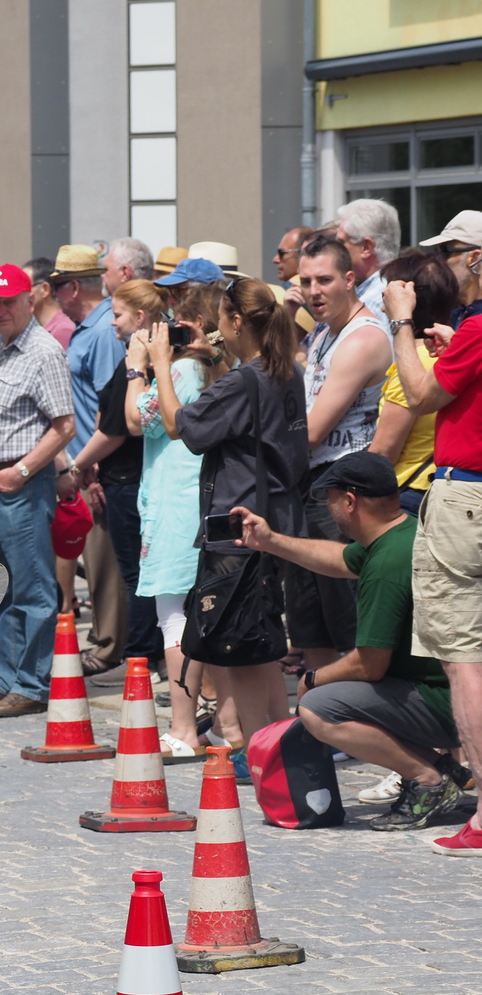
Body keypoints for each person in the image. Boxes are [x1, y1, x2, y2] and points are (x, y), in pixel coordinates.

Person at [234, 452, 467, 829]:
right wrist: (271, 540)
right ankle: (442, 772)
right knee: (330, 695)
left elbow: (369, 665)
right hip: (445, 689)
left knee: (319, 708)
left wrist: (312, 679)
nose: (329, 508)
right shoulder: (402, 532)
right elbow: (341, 559)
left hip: (446, 701)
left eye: (329, 499)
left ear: (349, 501)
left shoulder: (387, 565)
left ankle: (429, 782)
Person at [155, 277, 308, 753]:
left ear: (237, 321)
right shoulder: (286, 372)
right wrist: (217, 355)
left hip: (236, 528)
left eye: (223, 320)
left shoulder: (246, 380)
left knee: (237, 650)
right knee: (263, 644)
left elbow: (179, 426)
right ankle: (282, 746)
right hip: (275, 520)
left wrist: (160, 363)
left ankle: (253, 749)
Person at [380, 211, 482, 854]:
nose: (438, 265)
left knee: (464, 657)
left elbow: (416, 396)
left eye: (450, 253)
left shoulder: (477, 326)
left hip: (465, 492)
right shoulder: (470, 331)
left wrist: (400, 323)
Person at [0, 263, 76, 717]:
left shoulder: (43, 351)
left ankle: (30, 682)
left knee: (32, 589)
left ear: (30, 300)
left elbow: (64, 426)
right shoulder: (3, 348)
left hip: (18, 485)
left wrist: (24, 470)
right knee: (2, 588)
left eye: (9, 300)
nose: (1, 309)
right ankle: (9, 678)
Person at [126, 287, 221, 757]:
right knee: (212, 614)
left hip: (176, 502)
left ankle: (183, 728)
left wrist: (138, 366)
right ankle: (225, 723)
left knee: (175, 617)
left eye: (175, 325)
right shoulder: (219, 368)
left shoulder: (182, 369)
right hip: (199, 497)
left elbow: (135, 416)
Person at [292, 232, 392, 671]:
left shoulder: (362, 337)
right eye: (307, 281)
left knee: (347, 618)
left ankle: (359, 727)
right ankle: (319, 722)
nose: (315, 291)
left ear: (350, 279)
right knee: (309, 619)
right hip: (314, 484)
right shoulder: (322, 331)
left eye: (325, 280)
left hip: (344, 485)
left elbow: (312, 430)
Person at [71, 279, 167, 677]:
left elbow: (118, 428)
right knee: (137, 573)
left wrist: (77, 466)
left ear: (141, 316)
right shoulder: (132, 356)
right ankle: (145, 653)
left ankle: (141, 656)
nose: (111, 323)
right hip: (118, 476)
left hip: (130, 478)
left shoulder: (141, 362)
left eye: (117, 314)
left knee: (137, 575)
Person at [367, 251, 455, 518]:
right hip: (438, 489)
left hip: (407, 495)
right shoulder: (454, 354)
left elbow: (383, 452)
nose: (383, 307)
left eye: (389, 299)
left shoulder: (412, 366)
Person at [334, 197, 401, 316]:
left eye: (341, 243)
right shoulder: (389, 289)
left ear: (366, 248)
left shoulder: (376, 303)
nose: (335, 250)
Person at [24, 257, 75, 348]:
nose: (18, 294)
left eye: (25, 287)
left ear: (45, 289)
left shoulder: (63, 330)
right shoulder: (35, 329)